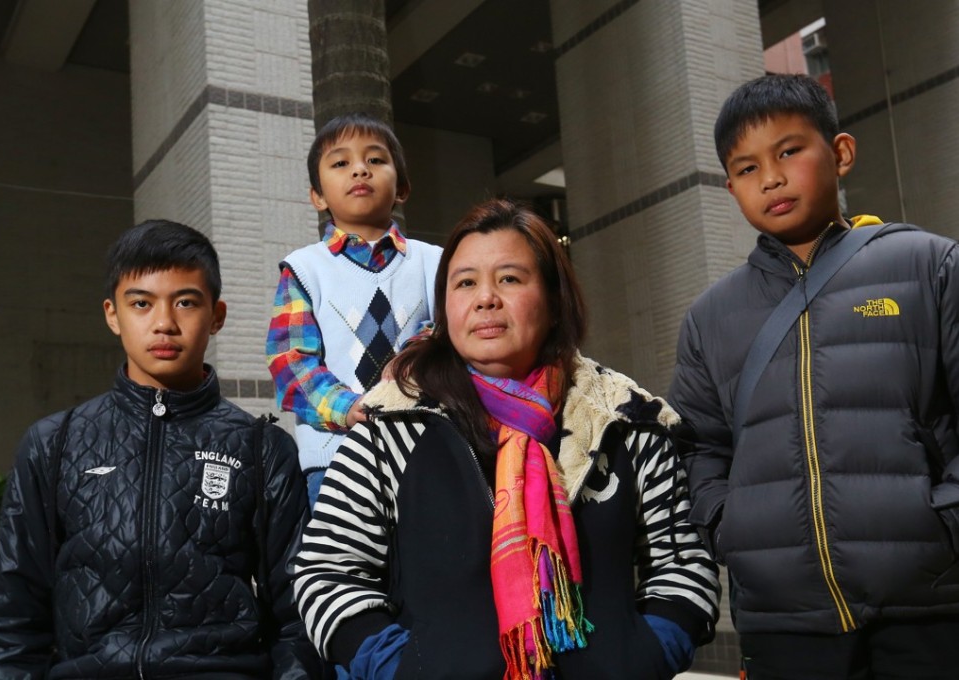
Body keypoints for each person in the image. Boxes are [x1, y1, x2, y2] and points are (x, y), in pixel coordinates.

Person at [294, 198, 720, 679]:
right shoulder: (390, 426)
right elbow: (327, 572)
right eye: (465, 282)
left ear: (555, 301)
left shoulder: (626, 420)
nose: (485, 298)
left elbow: (682, 563)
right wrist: (402, 668)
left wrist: (646, 654)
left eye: (510, 279)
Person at [668, 73, 959, 679]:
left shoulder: (929, 265)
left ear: (841, 153)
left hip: (929, 608)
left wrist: (944, 524)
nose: (770, 178)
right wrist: (733, 528)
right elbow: (698, 449)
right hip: (783, 622)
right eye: (746, 169)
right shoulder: (710, 317)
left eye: (789, 151)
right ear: (730, 188)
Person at [0, 220, 321, 679]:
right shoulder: (53, 442)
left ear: (216, 315)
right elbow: (11, 615)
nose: (164, 323)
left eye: (185, 302)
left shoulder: (262, 448)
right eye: (141, 303)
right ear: (112, 314)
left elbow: (298, 619)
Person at [265, 112, 441, 508]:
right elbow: (290, 361)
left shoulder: (435, 263)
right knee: (343, 568)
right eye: (341, 163)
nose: (360, 169)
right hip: (334, 461)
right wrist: (348, 408)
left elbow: (454, 334)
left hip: (427, 454)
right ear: (318, 196)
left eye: (375, 160)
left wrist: (421, 348)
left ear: (403, 188)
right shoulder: (304, 268)